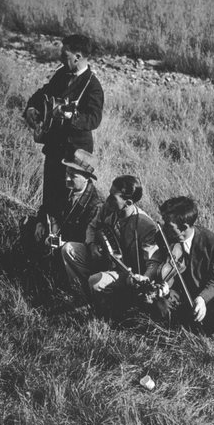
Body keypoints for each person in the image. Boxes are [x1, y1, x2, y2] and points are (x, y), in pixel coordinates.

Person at [24, 34, 104, 220]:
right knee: (50, 197)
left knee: (67, 202)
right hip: (54, 149)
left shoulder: (92, 86)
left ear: (77, 56)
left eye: (64, 54)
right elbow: (43, 93)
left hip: (75, 155)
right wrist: (31, 108)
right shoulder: (61, 73)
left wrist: (71, 117)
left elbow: (94, 119)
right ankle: (44, 233)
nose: (60, 58)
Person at [135, 197, 214, 335]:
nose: (163, 228)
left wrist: (202, 299)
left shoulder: (212, 242)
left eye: (168, 225)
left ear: (184, 227)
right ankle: (174, 332)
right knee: (158, 306)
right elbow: (163, 267)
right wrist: (163, 285)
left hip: (201, 290)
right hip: (176, 292)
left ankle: (201, 334)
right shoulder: (162, 237)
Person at [61, 175, 157, 315]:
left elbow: (153, 262)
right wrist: (92, 244)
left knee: (96, 281)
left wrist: (145, 277)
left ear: (128, 202)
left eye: (113, 197)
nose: (107, 200)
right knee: (69, 249)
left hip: (127, 274)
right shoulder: (108, 208)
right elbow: (92, 227)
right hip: (105, 260)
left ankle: (102, 312)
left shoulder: (146, 226)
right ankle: (82, 298)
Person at [29, 149, 103, 258]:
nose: (67, 178)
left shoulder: (96, 205)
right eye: (67, 172)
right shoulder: (65, 188)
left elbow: (87, 238)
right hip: (54, 238)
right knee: (28, 223)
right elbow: (47, 207)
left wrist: (61, 244)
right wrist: (40, 222)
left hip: (72, 249)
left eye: (73, 176)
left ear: (86, 177)